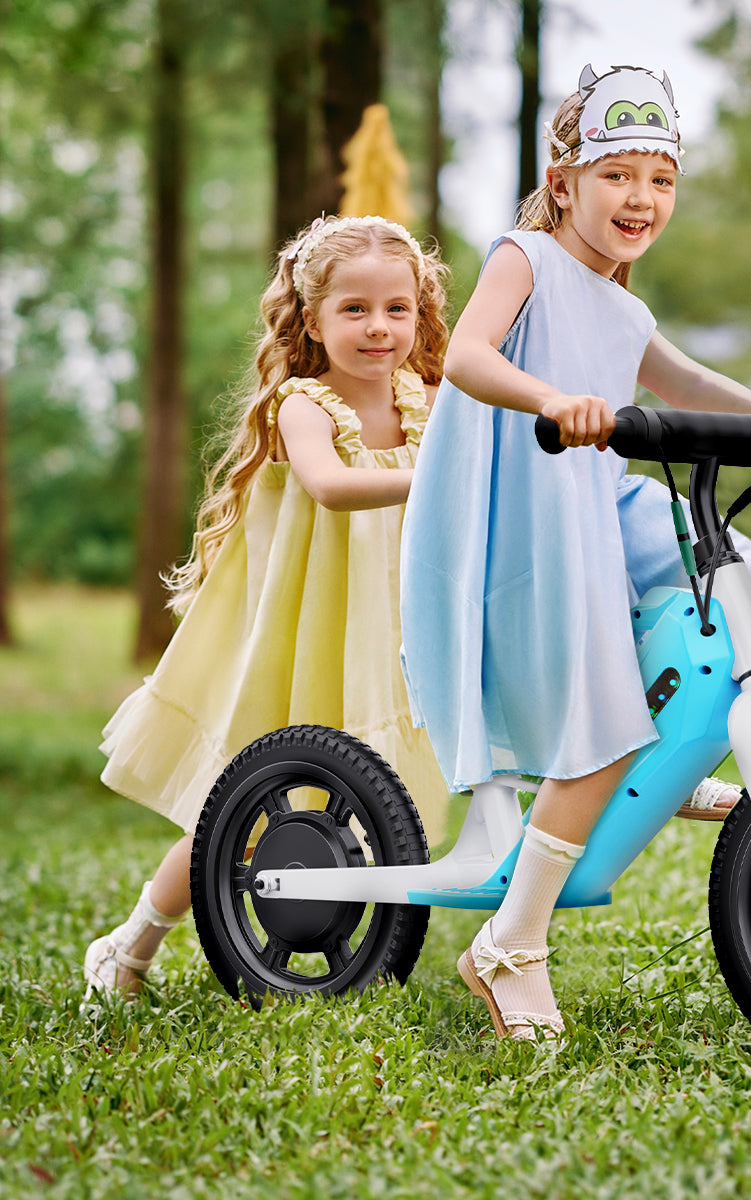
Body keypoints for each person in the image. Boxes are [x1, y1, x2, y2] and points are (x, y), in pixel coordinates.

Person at [398, 65, 751, 1041]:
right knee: (598, 700)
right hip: (525, 513)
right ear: (564, 185)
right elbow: (467, 355)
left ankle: (655, 751)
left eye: (661, 179)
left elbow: (687, 380)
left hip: (597, 502)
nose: (642, 198)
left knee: (724, 574)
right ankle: (512, 944)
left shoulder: (624, 307)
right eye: (618, 175)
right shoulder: (525, 258)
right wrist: (553, 398)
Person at [83, 215, 450, 997]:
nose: (379, 328)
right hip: (311, 628)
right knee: (239, 809)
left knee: (371, 796)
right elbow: (331, 486)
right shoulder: (303, 405)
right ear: (312, 320)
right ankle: (132, 942)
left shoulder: (429, 400)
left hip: (394, 628)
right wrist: (441, 477)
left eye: (397, 309)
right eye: (354, 309)